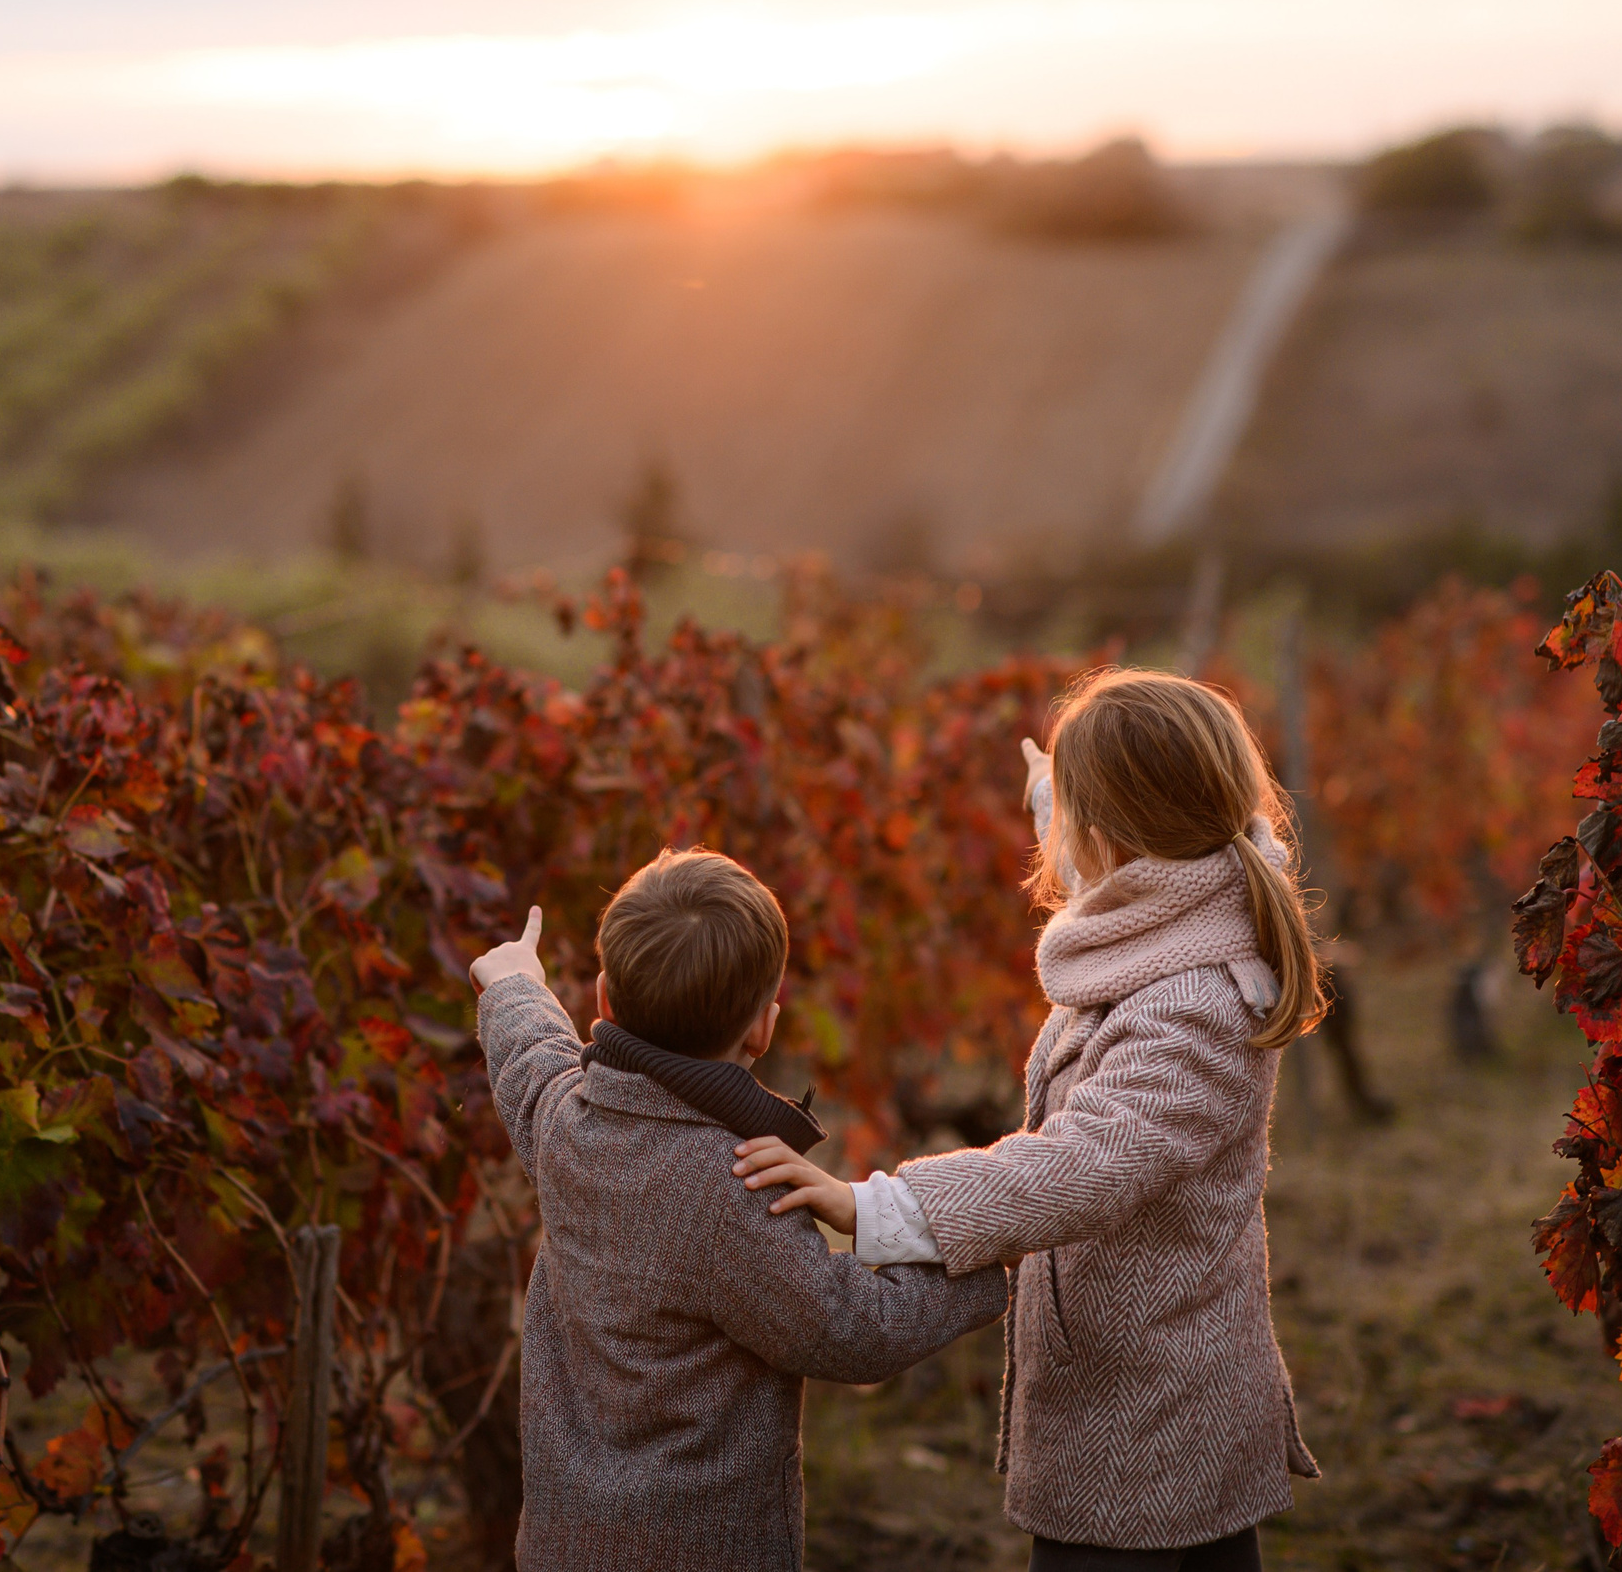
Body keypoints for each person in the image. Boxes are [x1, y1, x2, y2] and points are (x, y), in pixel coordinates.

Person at [732, 669, 1324, 1571]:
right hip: (1154, 1399)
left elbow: (1082, 1164)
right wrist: (1057, 791)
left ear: (1114, 833)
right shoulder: (1196, 900)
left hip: (1147, 1434)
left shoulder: (1195, 1005)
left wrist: (881, 1207)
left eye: (1073, 817)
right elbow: (1119, 859)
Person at [470, 847, 1008, 1572]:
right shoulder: (736, 1188)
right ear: (763, 1028)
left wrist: (511, 983)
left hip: (565, 1544)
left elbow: (528, 1056)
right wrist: (992, 1261)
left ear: (602, 1000)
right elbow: (846, 1328)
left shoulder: (567, 1123)